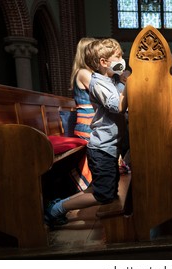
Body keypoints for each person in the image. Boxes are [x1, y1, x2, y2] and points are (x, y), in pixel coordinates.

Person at [44, 38, 128, 226]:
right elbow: (119, 106)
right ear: (103, 62)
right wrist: (131, 82)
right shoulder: (98, 83)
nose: (122, 60)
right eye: (118, 56)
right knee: (103, 195)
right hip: (102, 148)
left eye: (122, 55)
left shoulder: (113, 81)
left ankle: (58, 205)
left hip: (110, 146)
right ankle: (56, 209)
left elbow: (128, 100)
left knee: (106, 190)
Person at [70, 37, 96, 141]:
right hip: (87, 127)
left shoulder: (88, 73)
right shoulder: (83, 73)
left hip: (92, 125)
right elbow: (103, 92)